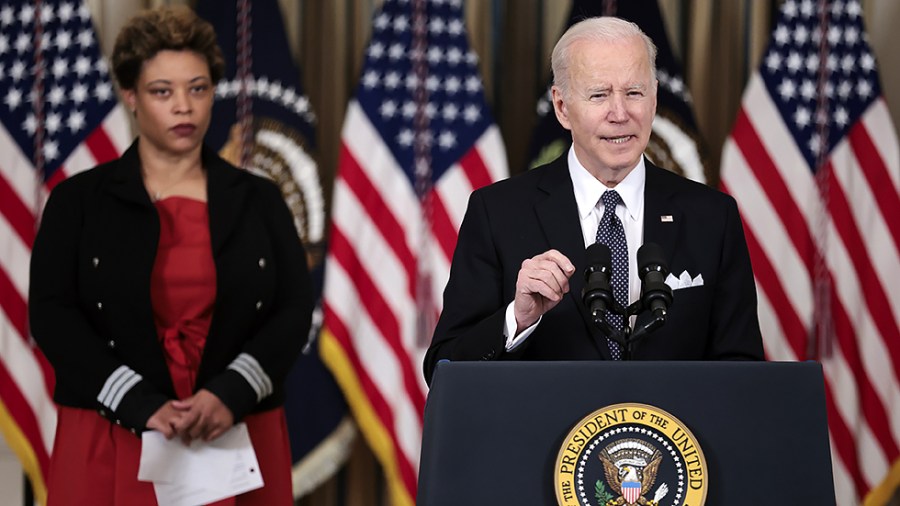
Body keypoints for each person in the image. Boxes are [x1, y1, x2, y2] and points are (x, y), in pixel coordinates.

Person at [28, 6, 313, 505]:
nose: (184, 106)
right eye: (163, 91)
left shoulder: (260, 199)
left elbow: (292, 310)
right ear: (131, 97)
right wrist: (136, 402)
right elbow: (52, 315)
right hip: (110, 425)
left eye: (198, 88)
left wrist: (232, 391)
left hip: (235, 424)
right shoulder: (78, 201)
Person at [423, 16, 763, 384]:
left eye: (634, 93)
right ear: (562, 107)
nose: (620, 114)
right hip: (546, 440)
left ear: (654, 98)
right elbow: (444, 369)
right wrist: (517, 319)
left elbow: (743, 375)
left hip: (673, 440)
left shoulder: (713, 217)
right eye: (599, 95)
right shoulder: (498, 213)